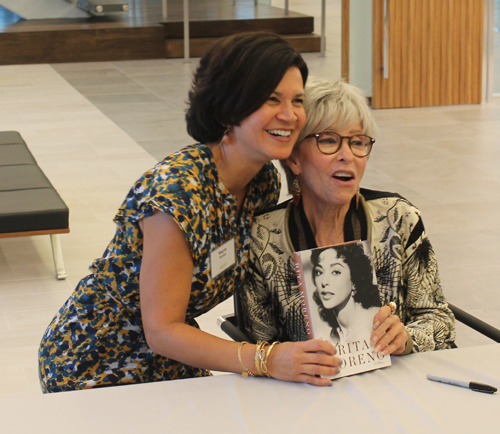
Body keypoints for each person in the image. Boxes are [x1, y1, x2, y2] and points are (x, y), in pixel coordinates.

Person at [38, 32, 341, 392]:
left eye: (298, 100)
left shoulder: (262, 182)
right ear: (230, 106)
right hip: (95, 360)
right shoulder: (178, 195)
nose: (290, 115)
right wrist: (266, 359)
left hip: (169, 352)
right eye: (271, 99)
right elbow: (162, 330)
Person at [240, 77, 456, 367]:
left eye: (357, 142)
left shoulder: (397, 218)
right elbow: (257, 347)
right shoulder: (262, 237)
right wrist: (284, 360)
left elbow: (439, 320)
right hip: (305, 396)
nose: (347, 156)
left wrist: (406, 338)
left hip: (398, 389)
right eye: (328, 140)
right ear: (294, 159)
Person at [309, 243, 380, 347]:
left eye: (336, 272)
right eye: (319, 272)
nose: (324, 282)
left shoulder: (374, 322)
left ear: (354, 280)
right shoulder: (333, 334)